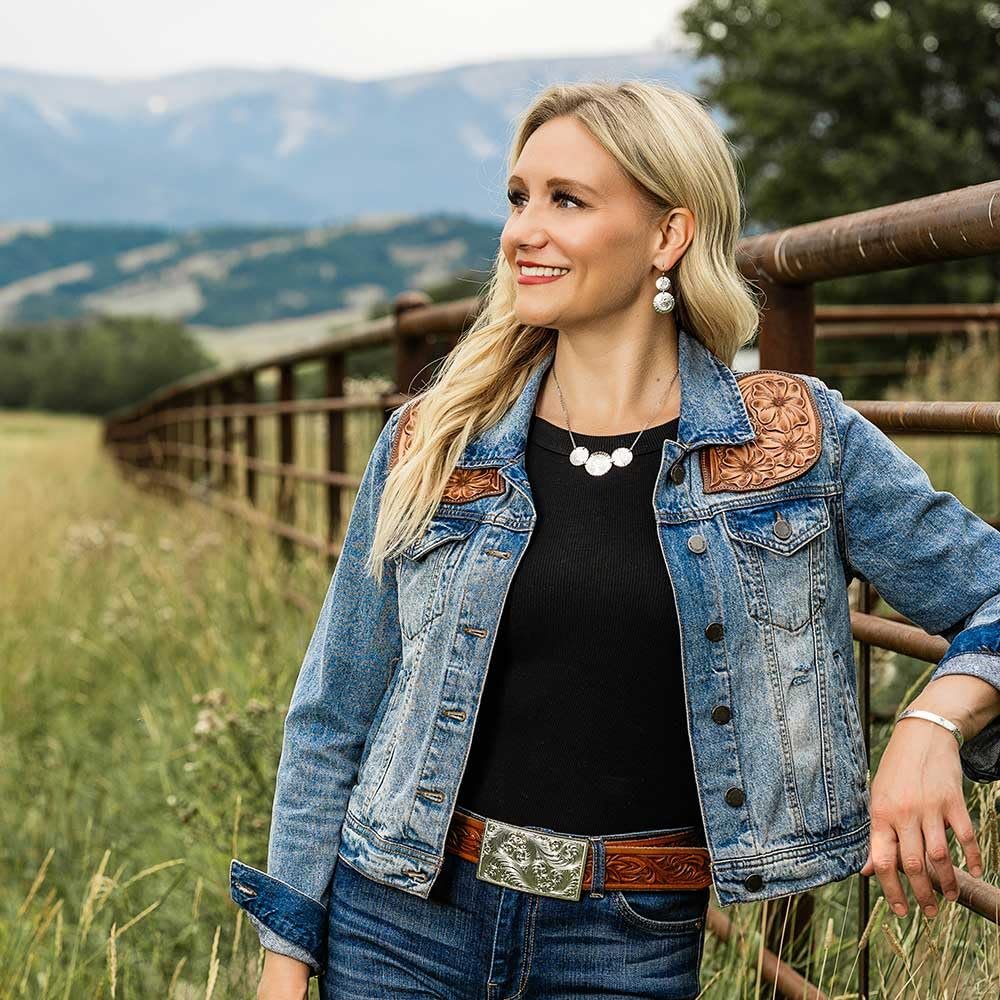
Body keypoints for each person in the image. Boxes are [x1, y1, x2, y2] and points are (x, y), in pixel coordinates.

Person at [230, 80, 1000, 1000]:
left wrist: (931, 722)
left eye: (567, 201)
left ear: (668, 235)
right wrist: (286, 957)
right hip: (398, 921)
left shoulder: (796, 442)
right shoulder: (434, 439)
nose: (522, 231)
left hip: (625, 942)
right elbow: (333, 711)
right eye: (518, 198)